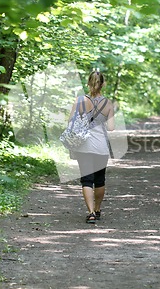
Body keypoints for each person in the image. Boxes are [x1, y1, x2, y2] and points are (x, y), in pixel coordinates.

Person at [68, 69, 115, 224]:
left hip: (83, 146)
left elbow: (70, 122)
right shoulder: (108, 103)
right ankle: (98, 208)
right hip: (101, 147)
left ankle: (91, 212)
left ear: (88, 83)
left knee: (87, 180)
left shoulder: (79, 100)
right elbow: (111, 128)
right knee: (100, 180)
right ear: (103, 84)